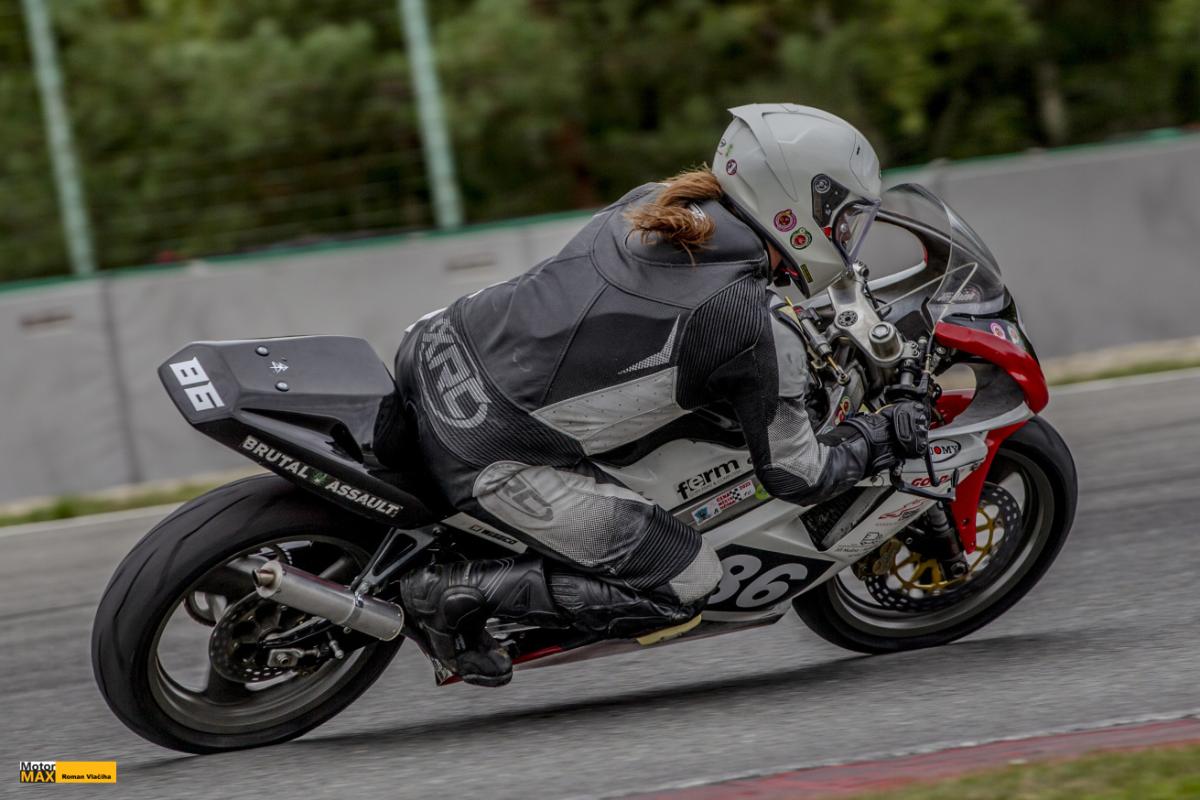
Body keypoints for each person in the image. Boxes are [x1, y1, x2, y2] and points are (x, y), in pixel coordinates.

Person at [393, 104, 928, 686]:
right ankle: (452, 592)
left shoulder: (657, 204)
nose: (846, 235)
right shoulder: (752, 322)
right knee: (687, 581)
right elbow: (797, 475)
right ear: (797, 205)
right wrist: (881, 435)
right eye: (842, 218)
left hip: (435, 346)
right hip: (486, 453)